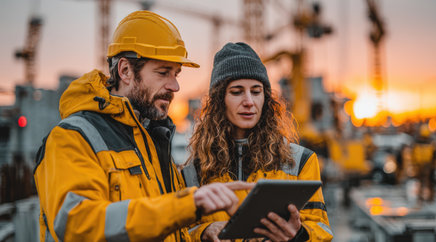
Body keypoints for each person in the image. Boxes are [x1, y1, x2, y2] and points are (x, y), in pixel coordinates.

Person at [33, 11, 253, 241]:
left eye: (176, 73)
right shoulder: (72, 138)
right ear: (125, 71)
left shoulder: (153, 142)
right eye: (163, 73)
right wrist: (188, 205)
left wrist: (201, 233)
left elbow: (165, 227)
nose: (175, 85)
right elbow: (77, 225)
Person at [183, 42, 333, 241]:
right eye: (237, 92)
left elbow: (321, 228)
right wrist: (203, 233)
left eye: (256, 91)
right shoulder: (194, 170)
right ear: (219, 100)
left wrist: (299, 235)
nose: (249, 101)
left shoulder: (301, 161)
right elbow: (180, 234)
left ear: (266, 98)